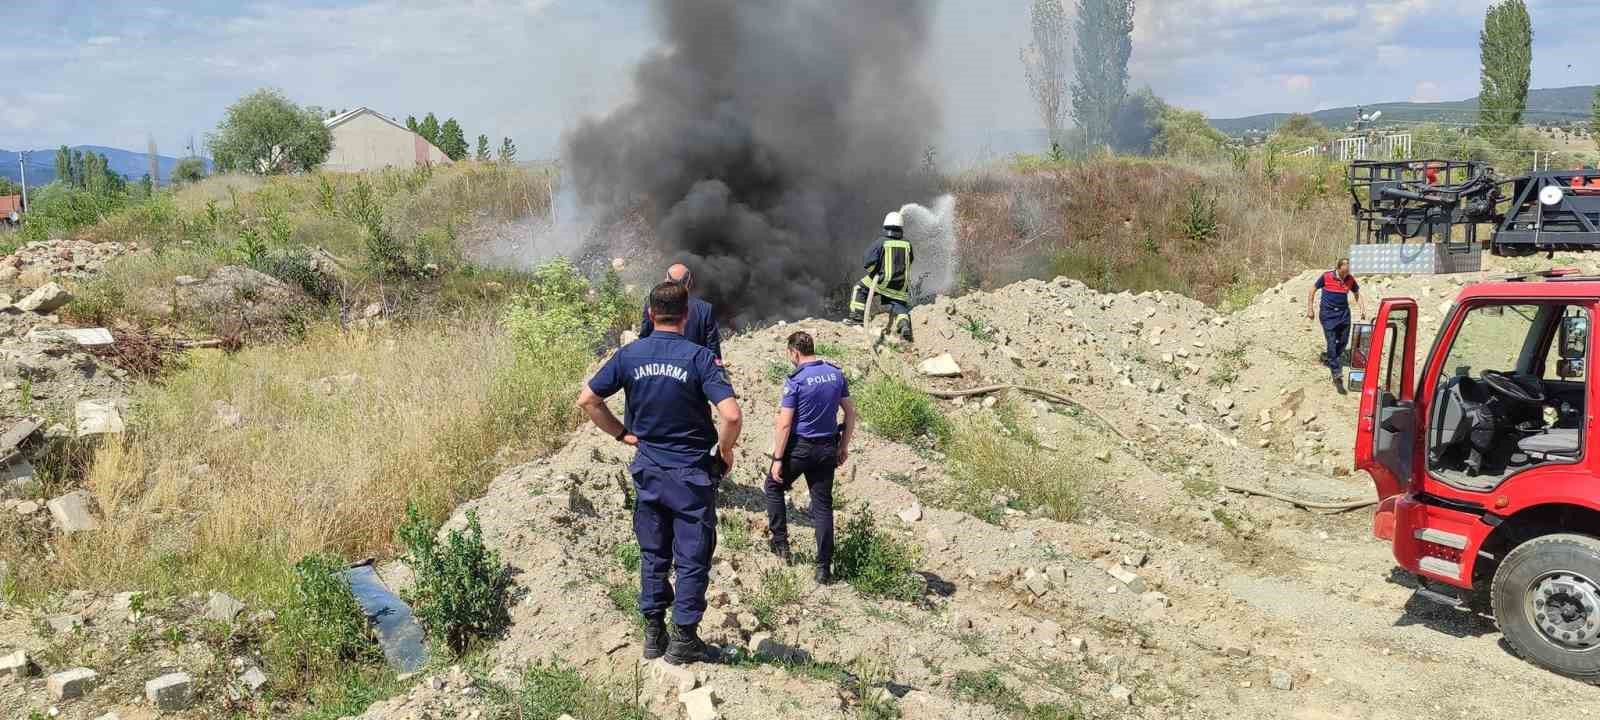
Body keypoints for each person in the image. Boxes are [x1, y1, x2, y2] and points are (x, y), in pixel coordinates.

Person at [577, 281, 742, 666]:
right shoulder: (700, 358)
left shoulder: (629, 355)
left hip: (648, 469)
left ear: (651, 314)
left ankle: (653, 635)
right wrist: (725, 451)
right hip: (690, 474)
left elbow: (588, 399)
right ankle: (684, 639)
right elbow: (731, 415)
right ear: (686, 316)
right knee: (692, 555)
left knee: (653, 554)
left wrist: (621, 433)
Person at [764, 331, 856, 585]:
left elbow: (784, 424)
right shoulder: (835, 374)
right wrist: (843, 446)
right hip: (828, 447)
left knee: (773, 486)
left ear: (794, 352)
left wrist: (778, 458)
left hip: (800, 448)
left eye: (789, 354)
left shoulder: (796, 381)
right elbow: (850, 412)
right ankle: (824, 568)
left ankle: (780, 544)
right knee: (823, 506)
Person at [847, 211, 915, 341]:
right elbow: (910, 261)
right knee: (899, 304)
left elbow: (868, 262)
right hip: (901, 285)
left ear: (886, 227)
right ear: (901, 228)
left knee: (859, 288)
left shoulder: (881, 242)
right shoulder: (908, 244)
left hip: (882, 281)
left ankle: (856, 319)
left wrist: (875, 271)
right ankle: (904, 325)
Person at [640, 263, 722, 363]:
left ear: (666, 281)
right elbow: (713, 352)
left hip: (658, 369)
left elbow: (644, 339)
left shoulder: (652, 304)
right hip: (693, 371)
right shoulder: (705, 309)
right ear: (690, 282)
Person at [1306, 258, 1364, 393]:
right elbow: (1312, 290)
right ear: (1338, 268)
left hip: (1344, 315)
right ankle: (1336, 373)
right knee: (1331, 342)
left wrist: (1362, 309)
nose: (1345, 275)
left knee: (1343, 342)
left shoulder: (1350, 279)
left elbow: (1357, 294)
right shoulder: (1326, 276)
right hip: (1328, 315)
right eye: (1343, 272)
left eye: (1347, 272)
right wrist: (1310, 308)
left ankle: (1330, 357)